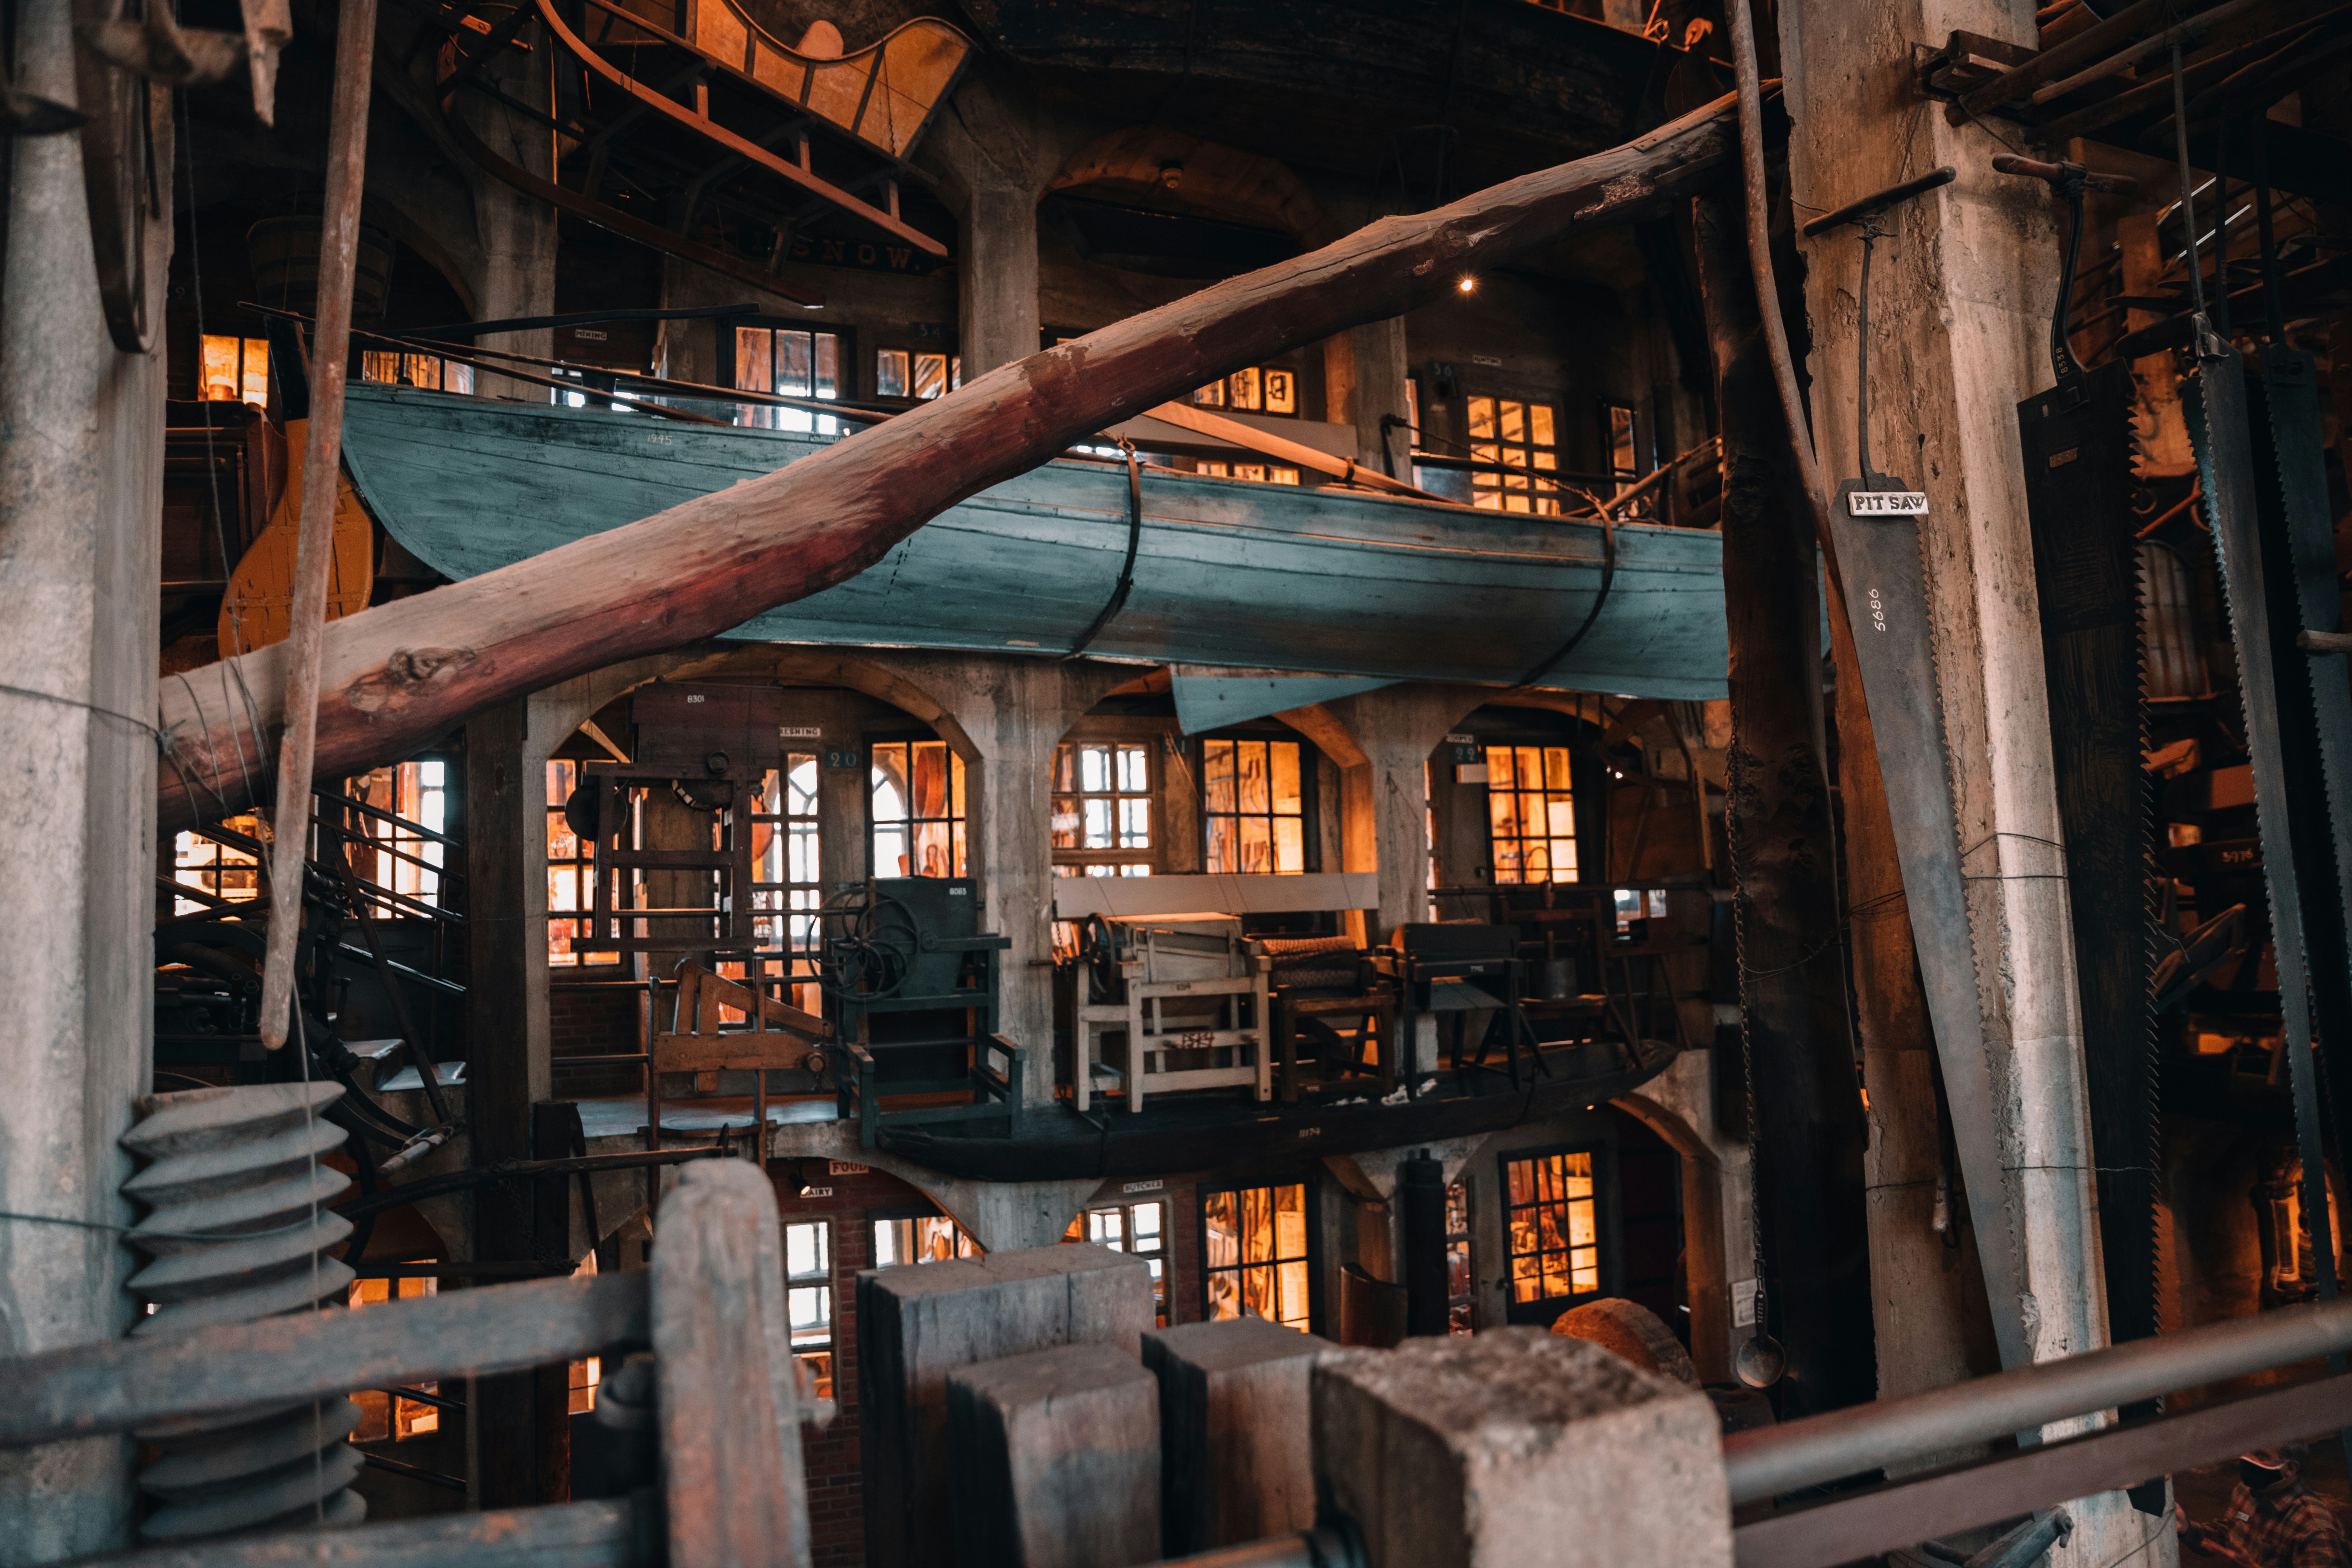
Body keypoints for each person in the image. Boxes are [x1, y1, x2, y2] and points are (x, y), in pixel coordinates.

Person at [2179, 1445, 2351, 1568]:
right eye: (2247, 1450)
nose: (2247, 1459)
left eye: (2261, 1456)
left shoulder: (2315, 1530)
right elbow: (2232, 1534)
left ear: (2290, 1469)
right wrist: (2186, 1528)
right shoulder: (2247, 1492)